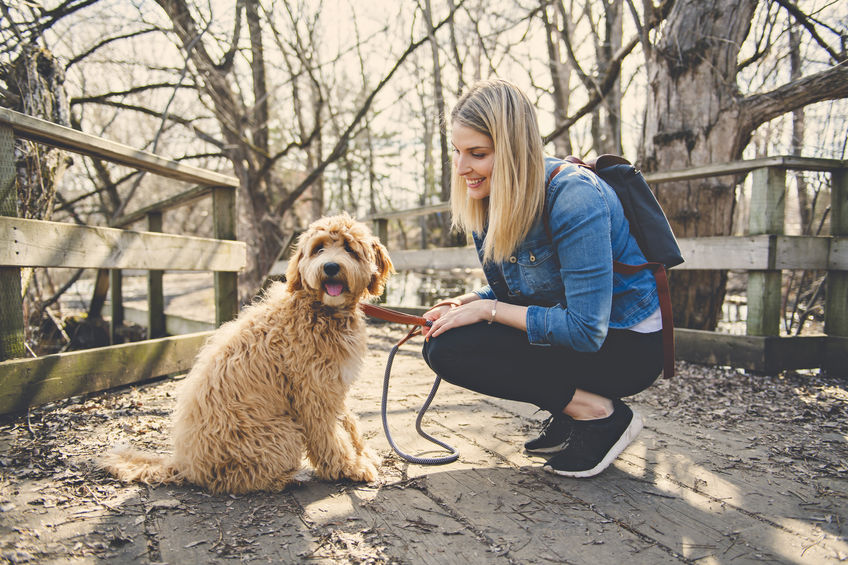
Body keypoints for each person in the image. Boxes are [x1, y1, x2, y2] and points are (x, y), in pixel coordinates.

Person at [421, 78, 664, 478]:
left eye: (477, 153)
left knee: (456, 349)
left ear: (514, 150)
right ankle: (573, 413)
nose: (463, 168)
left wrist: (489, 310)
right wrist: (470, 301)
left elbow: (587, 330)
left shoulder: (574, 197)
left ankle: (600, 415)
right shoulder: (490, 200)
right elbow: (518, 289)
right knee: (443, 342)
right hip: (577, 332)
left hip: (625, 344)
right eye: (458, 152)